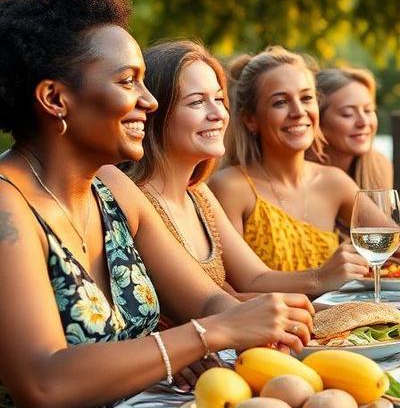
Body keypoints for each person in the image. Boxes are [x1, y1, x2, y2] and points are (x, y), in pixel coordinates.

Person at [0, 0, 313, 408]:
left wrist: (268, 326)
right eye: (128, 82)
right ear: (55, 99)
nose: (149, 100)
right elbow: (45, 383)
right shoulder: (8, 206)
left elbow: (207, 300)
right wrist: (206, 336)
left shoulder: (114, 188)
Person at [125, 41, 373, 297]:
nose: (218, 114)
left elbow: (252, 281)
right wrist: (320, 283)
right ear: (153, 111)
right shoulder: (136, 196)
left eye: (219, 99)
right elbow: (213, 305)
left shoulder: (198, 194)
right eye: (198, 102)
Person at [210, 47, 400, 271]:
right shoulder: (230, 187)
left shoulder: (335, 182)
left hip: (343, 307)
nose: (298, 111)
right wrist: (321, 278)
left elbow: (393, 243)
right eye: (280, 102)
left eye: (306, 98)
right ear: (250, 119)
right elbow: (231, 287)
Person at [311, 67, 394, 190]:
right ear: (317, 120)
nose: (363, 122)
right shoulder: (300, 175)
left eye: (368, 110)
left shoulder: (379, 167)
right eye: (347, 114)